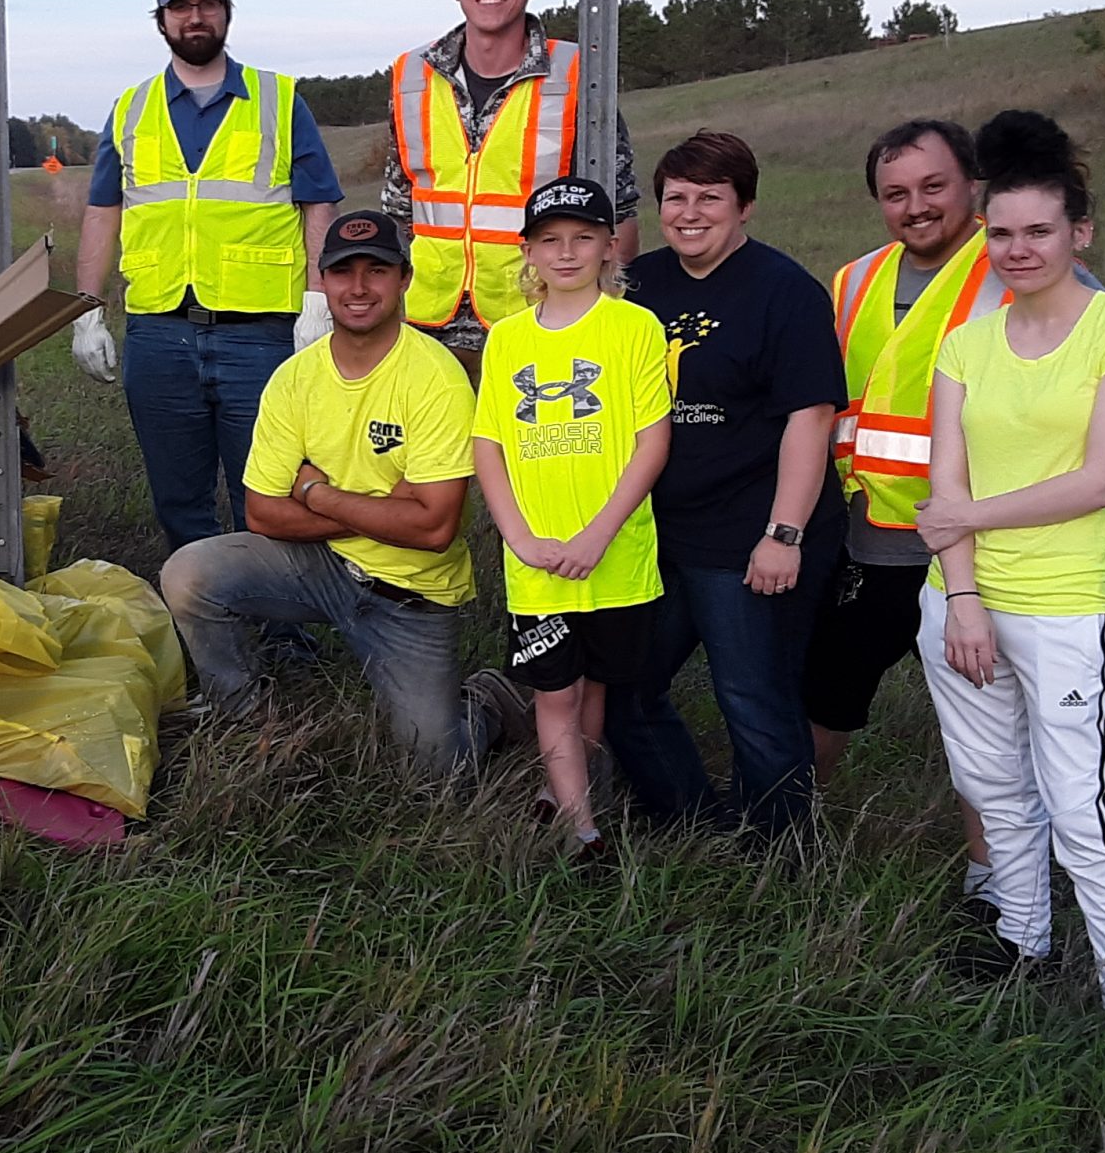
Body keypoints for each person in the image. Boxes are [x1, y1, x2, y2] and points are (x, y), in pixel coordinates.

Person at [915, 110, 1105, 1016]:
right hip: (961, 602)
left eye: (1039, 232)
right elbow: (944, 474)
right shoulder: (967, 344)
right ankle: (1022, 942)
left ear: (1079, 233)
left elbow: (1097, 482)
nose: (1017, 250)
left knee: (1082, 809)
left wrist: (966, 520)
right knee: (989, 785)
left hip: (1065, 609)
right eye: (1001, 234)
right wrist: (968, 596)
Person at [159, 212, 479, 779]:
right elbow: (261, 513)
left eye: (376, 271)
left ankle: (490, 704)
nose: (358, 288)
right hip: (319, 567)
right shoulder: (294, 378)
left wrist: (317, 494)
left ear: (404, 278)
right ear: (322, 282)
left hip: (411, 593)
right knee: (190, 574)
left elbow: (433, 531)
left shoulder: (437, 377)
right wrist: (386, 509)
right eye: (342, 272)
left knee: (434, 772)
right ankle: (247, 725)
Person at [604, 131, 847, 840]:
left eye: (710, 197)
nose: (689, 212)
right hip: (660, 533)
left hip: (749, 535)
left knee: (753, 699)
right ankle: (696, 824)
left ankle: (780, 853)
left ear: (746, 206)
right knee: (628, 691)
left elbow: (810, 419)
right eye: (675, 197)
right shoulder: (636, 284)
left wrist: (784, 534)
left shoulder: (785, 292)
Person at [72, 0, 343, 550]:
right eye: (180, 7)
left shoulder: (279, 99)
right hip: (159, 334)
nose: (195, 16)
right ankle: (197, 623)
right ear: (162, 20)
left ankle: (281, 633)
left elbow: (317, 202)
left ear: (226, 13)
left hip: (260, 335)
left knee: (270, 492)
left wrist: (318, 298)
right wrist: (87, 311)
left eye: (207, 4)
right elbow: (103, 212)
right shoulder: (130, 109)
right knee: (178, 496)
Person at [805, 118, 1006, 892]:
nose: (915, 206)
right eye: (895, 193)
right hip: (871, 536)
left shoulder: (1015, 263)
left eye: (933, 187)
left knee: (983, 724)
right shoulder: (854, 279)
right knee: (827, 689)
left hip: (982, 542)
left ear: (972, 184)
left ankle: (993, 885)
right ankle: (791, 825)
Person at [464, 177, 671, 851]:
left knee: (595, 689)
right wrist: (518, 535)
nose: (567, 253)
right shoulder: (507, 339)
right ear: (527, 251)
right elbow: (488, 443)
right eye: (550, 241)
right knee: (554, 691)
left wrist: (598, 534)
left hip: (615, 555)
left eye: (584, 239)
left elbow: (653, 441)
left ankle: (564, 791)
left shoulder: (635, 328)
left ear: (611, 248)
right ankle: (583, 834)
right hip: (538, 560)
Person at [382, 0, 640, 378]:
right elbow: (398, 211)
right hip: (425, 330)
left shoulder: (580, 76)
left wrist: (601, 323)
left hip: (538, 324)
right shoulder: (411, 77)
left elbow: (619, 216)